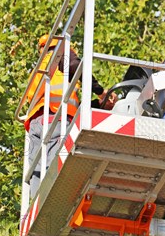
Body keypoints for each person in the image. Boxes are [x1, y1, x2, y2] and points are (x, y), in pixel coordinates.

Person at [25, 34, 115, 195]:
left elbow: (73, 105)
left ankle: (36, 203)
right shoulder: (60, 55)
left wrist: (98, 105)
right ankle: (51, 196)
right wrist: (100, 92)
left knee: (37, 168)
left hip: (36, 123)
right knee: (55, 165)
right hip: (56, 119)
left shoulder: (41, 69)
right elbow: (75, 65)